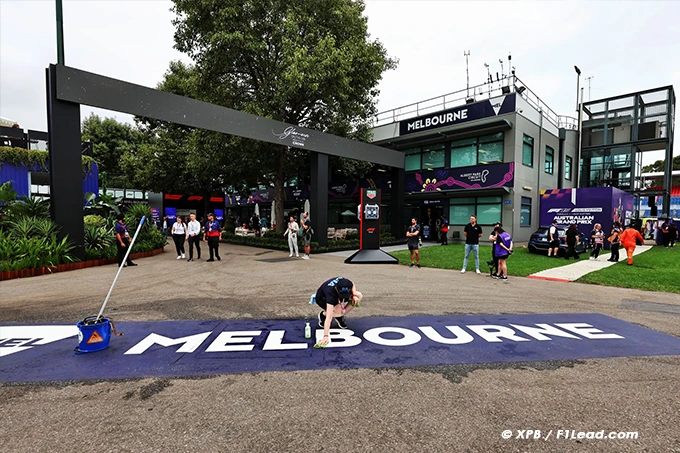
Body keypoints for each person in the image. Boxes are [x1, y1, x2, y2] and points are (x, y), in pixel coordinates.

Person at [313, 277, 363, 347]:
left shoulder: (347, 282)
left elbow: (352, 284)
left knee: (359, 295)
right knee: (336, 313)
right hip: (322, 299)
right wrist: (325, 336)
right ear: (336, 288)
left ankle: (339, 315)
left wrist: (354, 295)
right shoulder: (330, 293)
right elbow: (329, 317)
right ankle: (323, 314)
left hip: (337, 296)